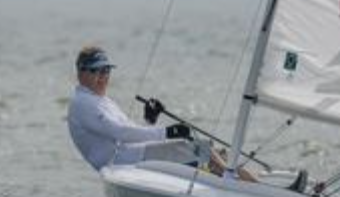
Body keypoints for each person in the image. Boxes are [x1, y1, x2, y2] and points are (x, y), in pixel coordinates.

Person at [67, 45, 256, 181]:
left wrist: (150, 121)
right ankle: (246, 187)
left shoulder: (100, 100)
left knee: (215, 151)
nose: (103, 77)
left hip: (134, 156)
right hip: (124, 164)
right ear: (81, 73)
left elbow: (127, 132)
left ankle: (251, 185)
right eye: (96, 71)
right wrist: (166, 132)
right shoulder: (83, 103)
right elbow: (121, 133)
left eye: (107, 70)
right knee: (201, 150)